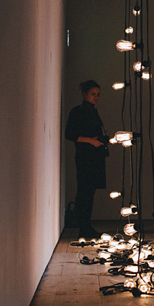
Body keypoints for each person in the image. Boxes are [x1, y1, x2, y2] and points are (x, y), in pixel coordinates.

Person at [64, 80, 109, 239]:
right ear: (85, 94)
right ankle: (83, 226)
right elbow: (70, 134)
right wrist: (91, 140)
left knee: (90, 192)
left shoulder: (93, 112)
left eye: (97, 95)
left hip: (95, 156)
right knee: (84, 191)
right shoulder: (78, 111)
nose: (96, 97)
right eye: (93, 94)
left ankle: (86, 225)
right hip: (85, 157)